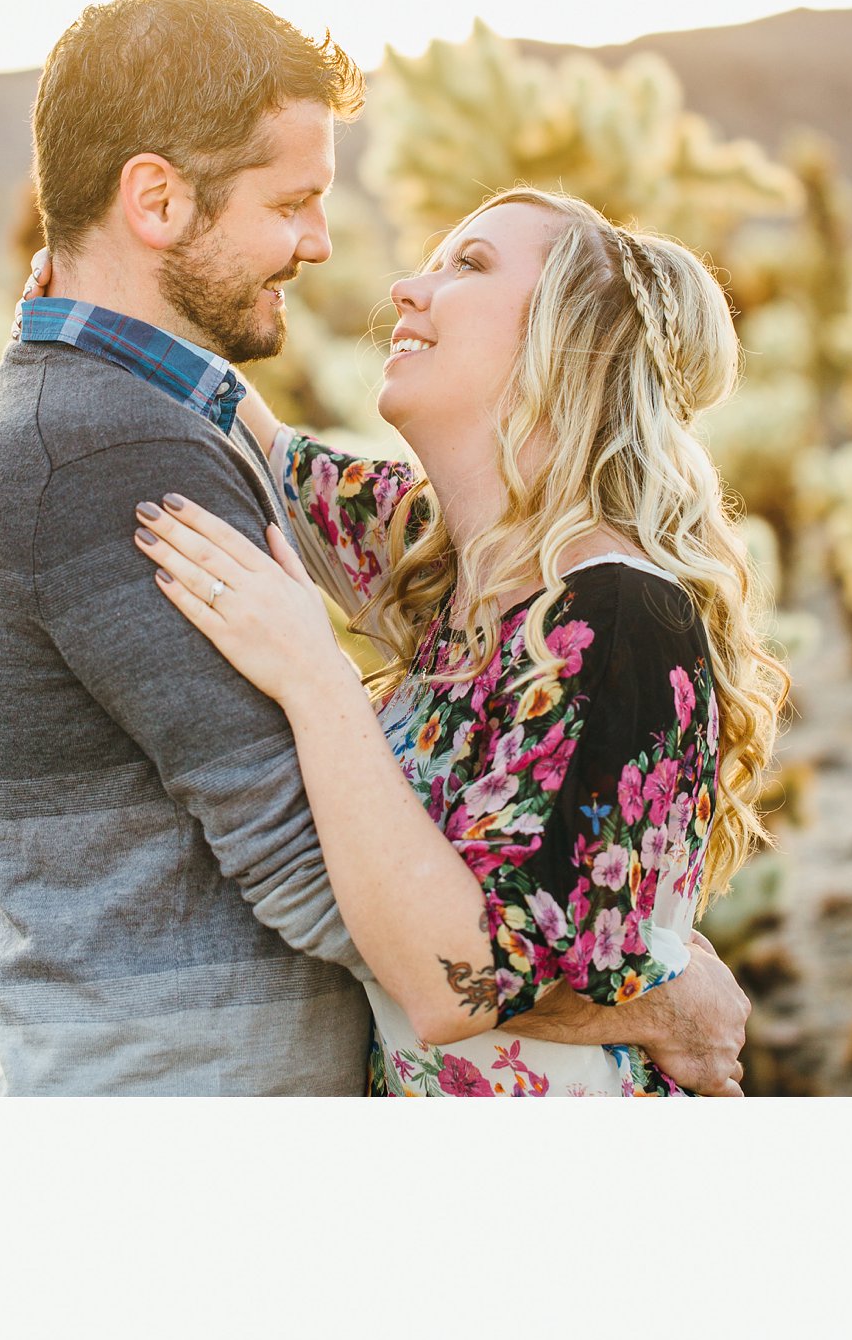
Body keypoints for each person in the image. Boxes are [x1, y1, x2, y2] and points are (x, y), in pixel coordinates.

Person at [0, 0, 748, 1095]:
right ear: (156, 200)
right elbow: (315, 869)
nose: (350, 259)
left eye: (465, 268)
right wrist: (658, 988)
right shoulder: (432, 562)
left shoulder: (591, 606)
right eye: (290, 204)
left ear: (569, 346)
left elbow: (266, 444)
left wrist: (90, 318)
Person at [127, 190, 789, 1096]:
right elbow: (257, 439)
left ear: (570, 342)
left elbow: (462, 984)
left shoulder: (624, 621)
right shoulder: (453, 560)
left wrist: (314, 676)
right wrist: (89, 301)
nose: (407, 287)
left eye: (468, 266)